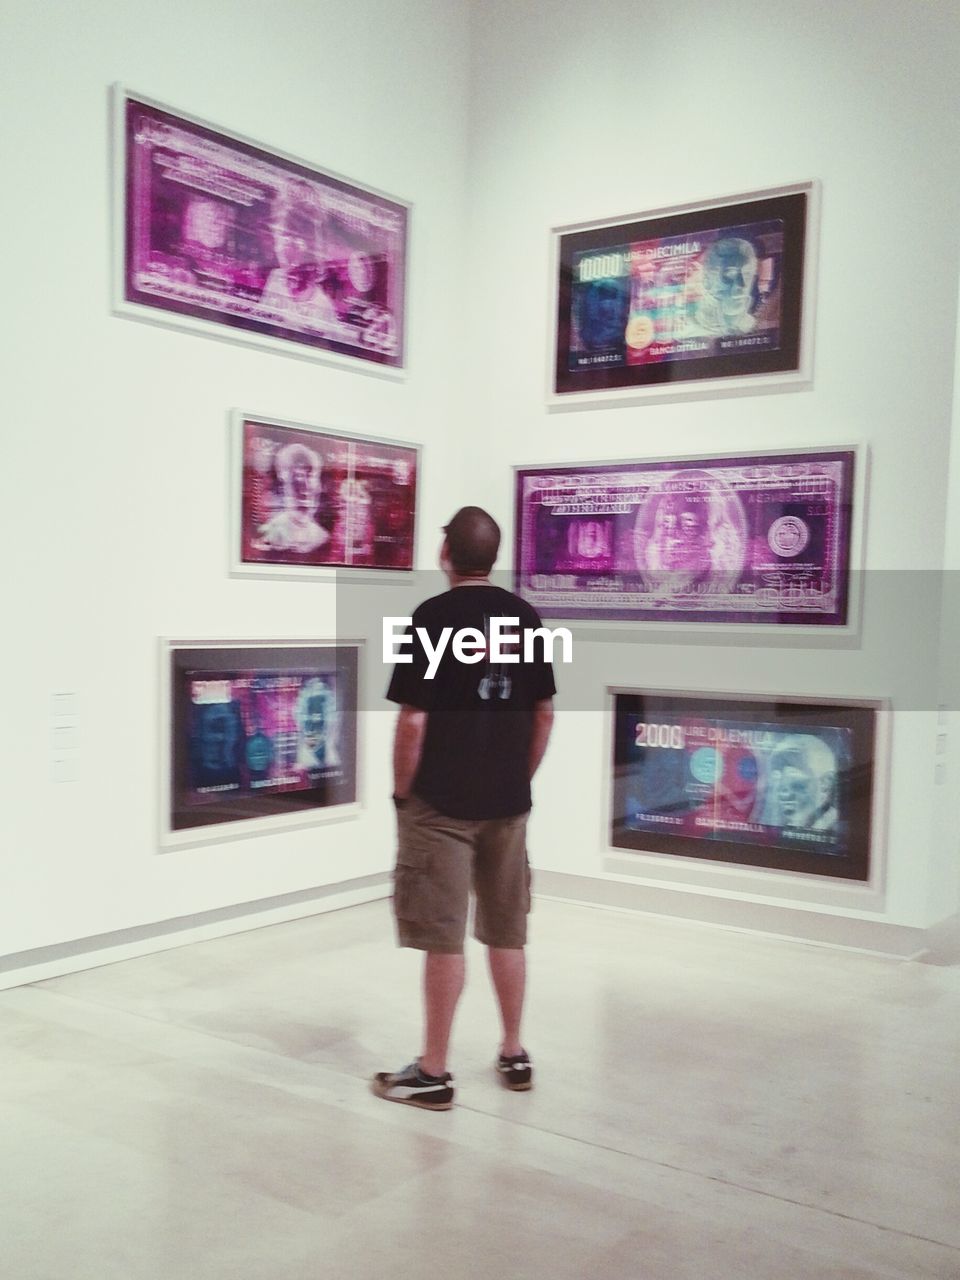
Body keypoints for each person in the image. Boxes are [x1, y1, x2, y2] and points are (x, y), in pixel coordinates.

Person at [372, 507, 556, 1110]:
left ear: (447, 552)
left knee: (444, 938)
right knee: (508, 930)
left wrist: (403, 794)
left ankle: (433, 1071)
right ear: (493, 556)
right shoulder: (526, 618)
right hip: (507, 804)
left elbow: (414, 719)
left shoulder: (431, 618)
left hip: (441, 806)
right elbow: (544, 712)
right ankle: (512, 1050)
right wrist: (516, 776)